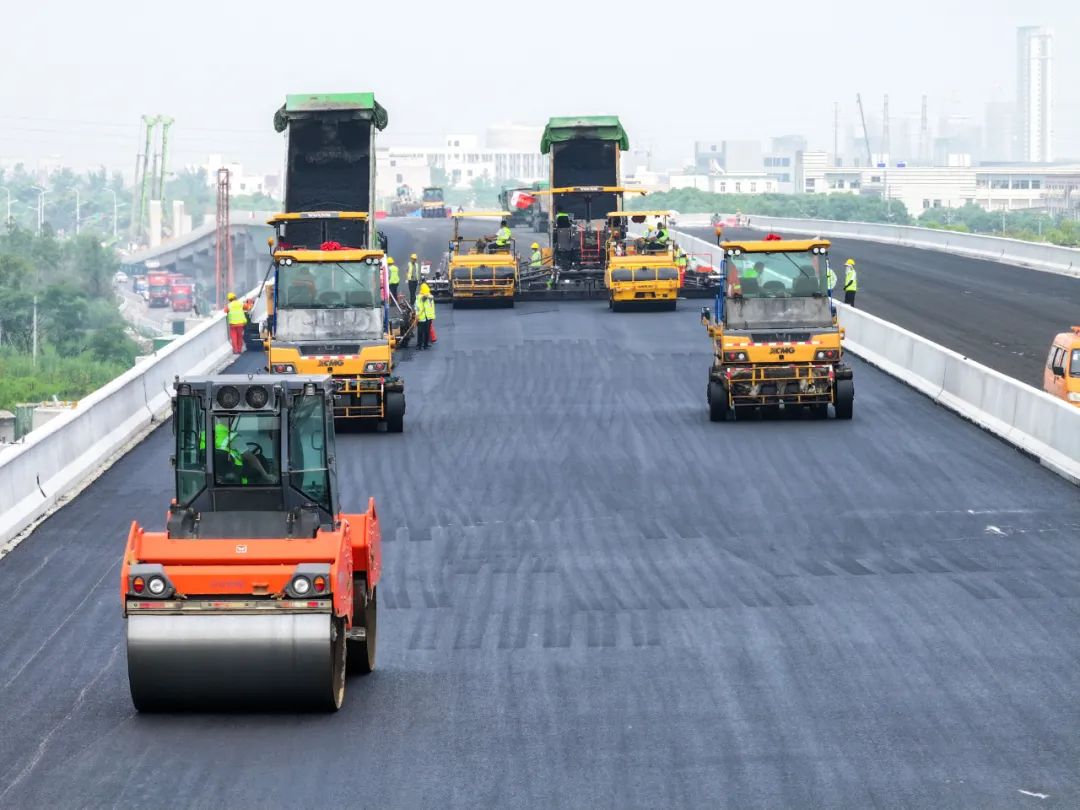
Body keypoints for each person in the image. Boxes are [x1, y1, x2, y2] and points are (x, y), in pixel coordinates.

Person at [416, 282, 436, 350]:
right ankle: (423, 345)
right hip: (424, 317)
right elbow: (418, 307)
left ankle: (422, 345)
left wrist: (417, 315)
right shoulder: (419, 297)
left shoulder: (429, 297)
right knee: (423, 332)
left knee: (423, 332)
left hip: (425, 317)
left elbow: (418, 307)